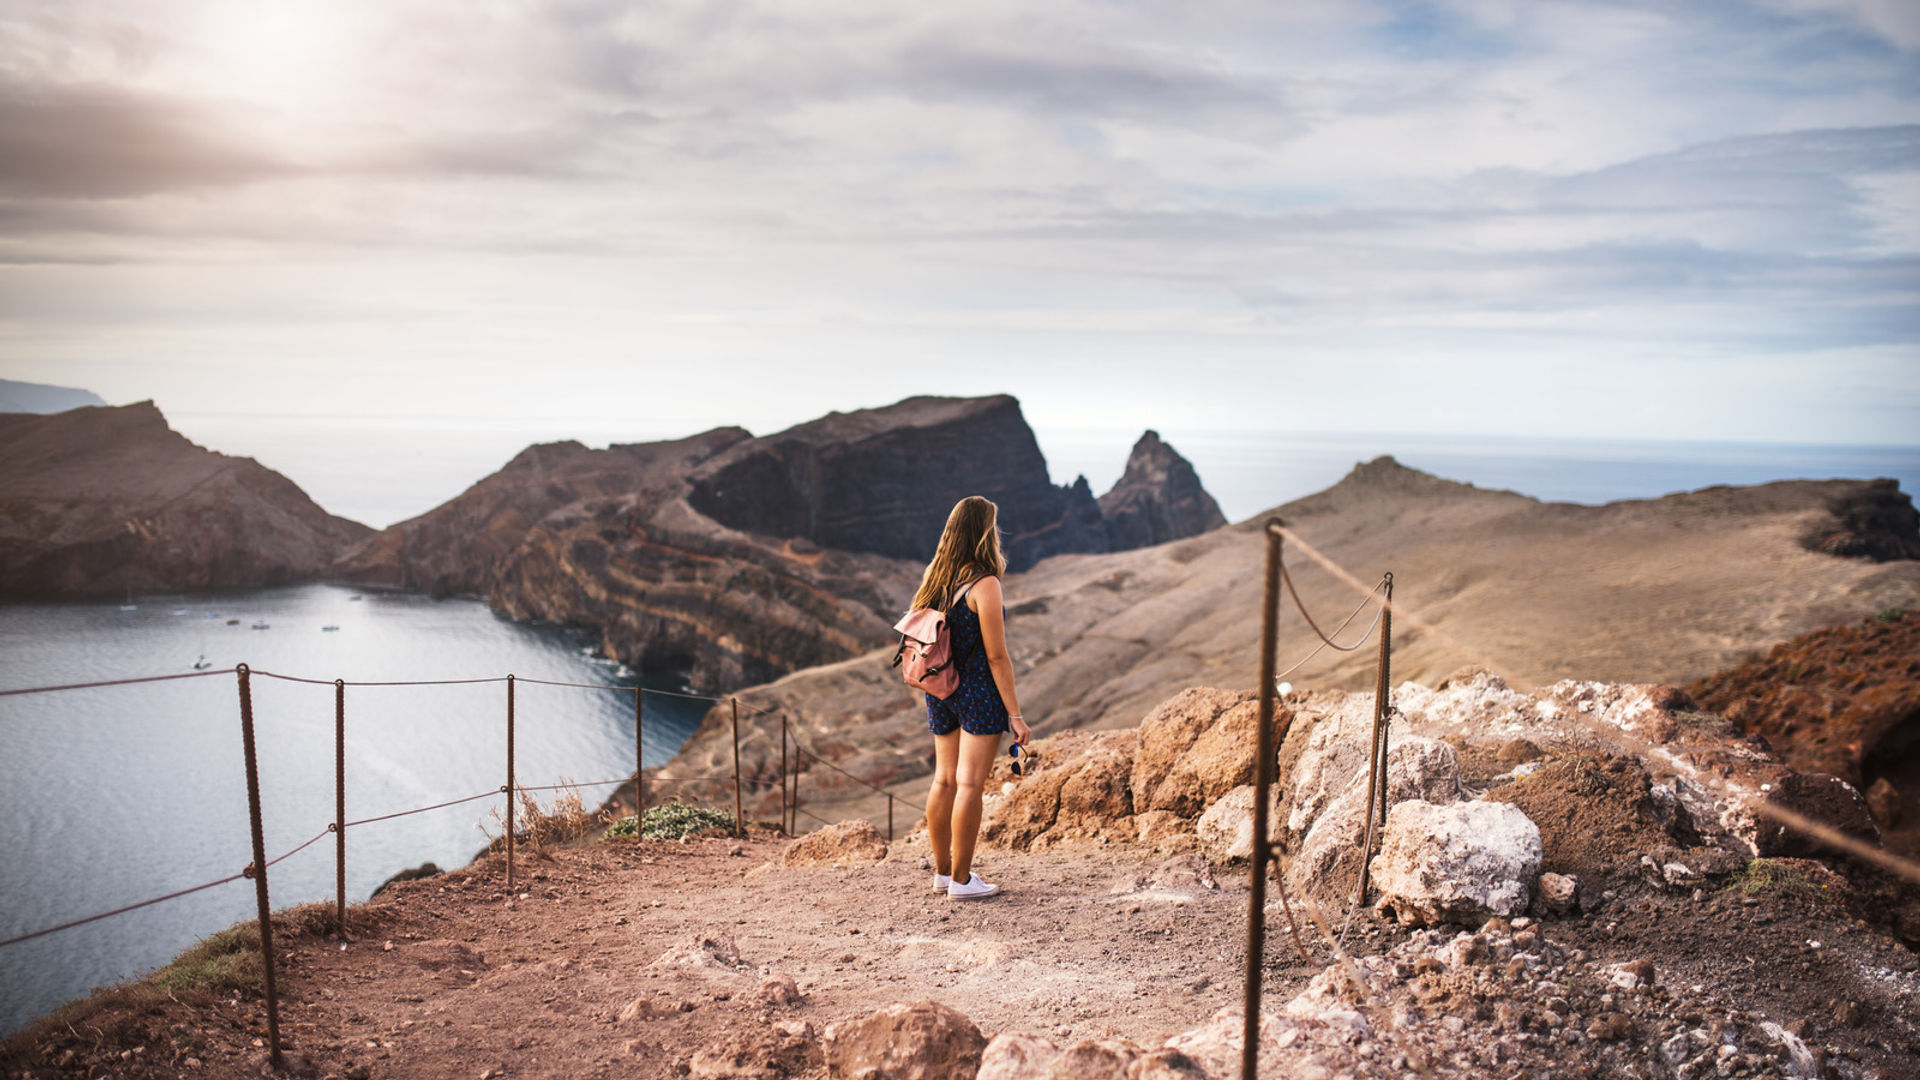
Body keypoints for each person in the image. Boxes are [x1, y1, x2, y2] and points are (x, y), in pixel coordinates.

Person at [917, 495, 1031, 899]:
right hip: (979, 693)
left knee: (943, 780)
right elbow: (997, 656)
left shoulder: (937, 576)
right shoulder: (985, 584)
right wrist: (1015, 715)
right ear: (986, 532)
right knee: (969, 786)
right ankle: (963, 881)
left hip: (941, 689)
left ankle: (943, 874)